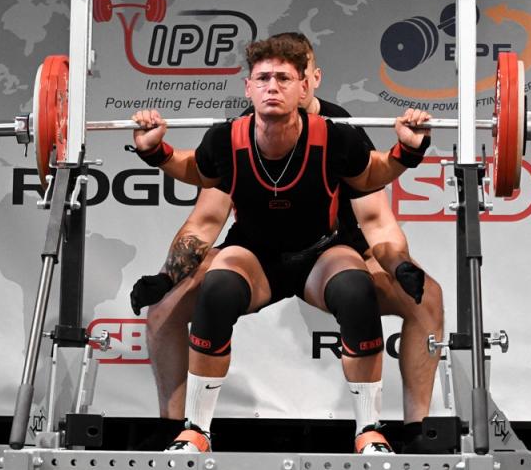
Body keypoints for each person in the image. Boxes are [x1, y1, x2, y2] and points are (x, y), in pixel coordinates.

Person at [131, 33, 444, 453]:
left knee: (382, 292)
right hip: (254, 256)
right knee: (187, 298)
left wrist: (399, 261)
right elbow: (205, 219)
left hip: (328, 251)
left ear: (307, 82)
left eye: (286, 77)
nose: (273, 87)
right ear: (249, 86)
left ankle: (409, 432)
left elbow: (376, 217)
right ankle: (182, 431)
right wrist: (166, 277)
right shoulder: (232, 137)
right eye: (264, 78)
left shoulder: (338, 133)